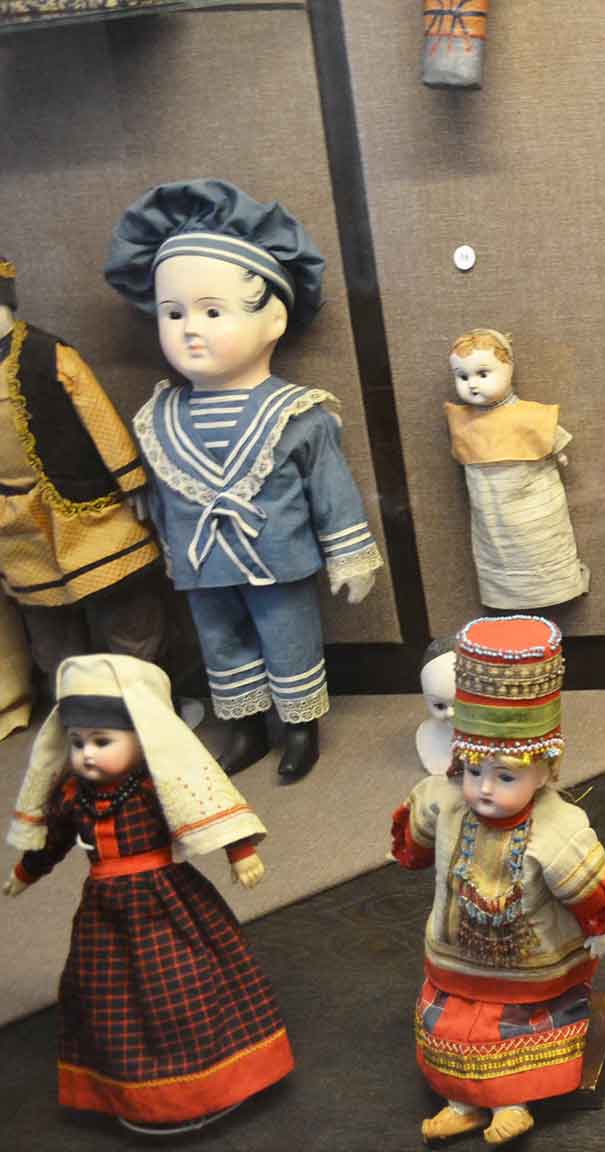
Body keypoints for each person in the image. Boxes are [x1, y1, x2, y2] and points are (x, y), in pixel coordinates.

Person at [104, 179, 383, 781]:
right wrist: (158, 538)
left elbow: (332, 492)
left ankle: (300, 727)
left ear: (273, 318)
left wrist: (351, 555)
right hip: (201, 564)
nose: (189, 328)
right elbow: (159, 493)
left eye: (212, 311)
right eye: (173, 313)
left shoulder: (296, 412)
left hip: (276, 559)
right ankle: (246, 726)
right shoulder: (160, 416)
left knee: (289, 635)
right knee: (220, 642)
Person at [4, 654, 291, 1134]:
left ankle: (206, 1084)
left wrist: (240, 851)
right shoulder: (76, 796)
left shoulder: (153, 789)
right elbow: (54, 840)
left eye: (102, 741)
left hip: (165, 902)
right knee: (107, 996)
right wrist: (26, 870)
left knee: (183, 987)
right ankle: (138, 1094)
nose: (87, 754)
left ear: (143, 740)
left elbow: (202, 808)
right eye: (77, 742)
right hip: (104, 913)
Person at [391, 615, 605, 1145]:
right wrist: (412, 845)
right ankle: (462, 1101)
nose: (484, 789)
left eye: (506, 775)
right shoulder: (448, 801)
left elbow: (586, 880)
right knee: (451, 1022)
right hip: (457, 956)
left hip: (529, 964)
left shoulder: (557, 825)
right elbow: (418, 825)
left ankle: (511, 1101)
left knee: (514, 1025)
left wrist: (599, 926)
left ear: (546, 772)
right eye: (474, 771)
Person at [0, 256, 166, 677]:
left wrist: (131, 480)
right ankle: (74, 701)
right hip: (15, 522)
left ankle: (140, 691)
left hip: (80, 504)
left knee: (123, 601)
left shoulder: (47, 354)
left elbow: (98, 416)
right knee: (48, 624)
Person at [445, 327, 589, 610]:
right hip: (491, 509)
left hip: (530, 500)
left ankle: (556, 587)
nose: (472, 385)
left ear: (508, 368)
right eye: (462, 376)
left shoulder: (528, 414)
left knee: (541, 540)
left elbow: (548, 433)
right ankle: (507, 596)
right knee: (497, 548)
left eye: (482, 374)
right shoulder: (463, 421)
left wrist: (558, 449)